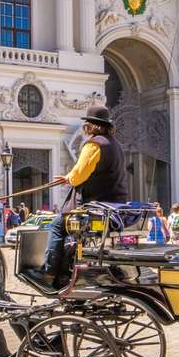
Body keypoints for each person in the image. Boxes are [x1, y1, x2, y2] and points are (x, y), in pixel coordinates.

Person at [43, 105, 127, 283]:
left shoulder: (94, 144)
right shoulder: (116, 145)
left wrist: (70, 178)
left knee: (57, 225)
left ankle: (50, 272)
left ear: (92, 126)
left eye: (86, 124)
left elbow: (79, 175)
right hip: (114, 205)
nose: (85, 128)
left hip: (95, 206)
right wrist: (70, 177)